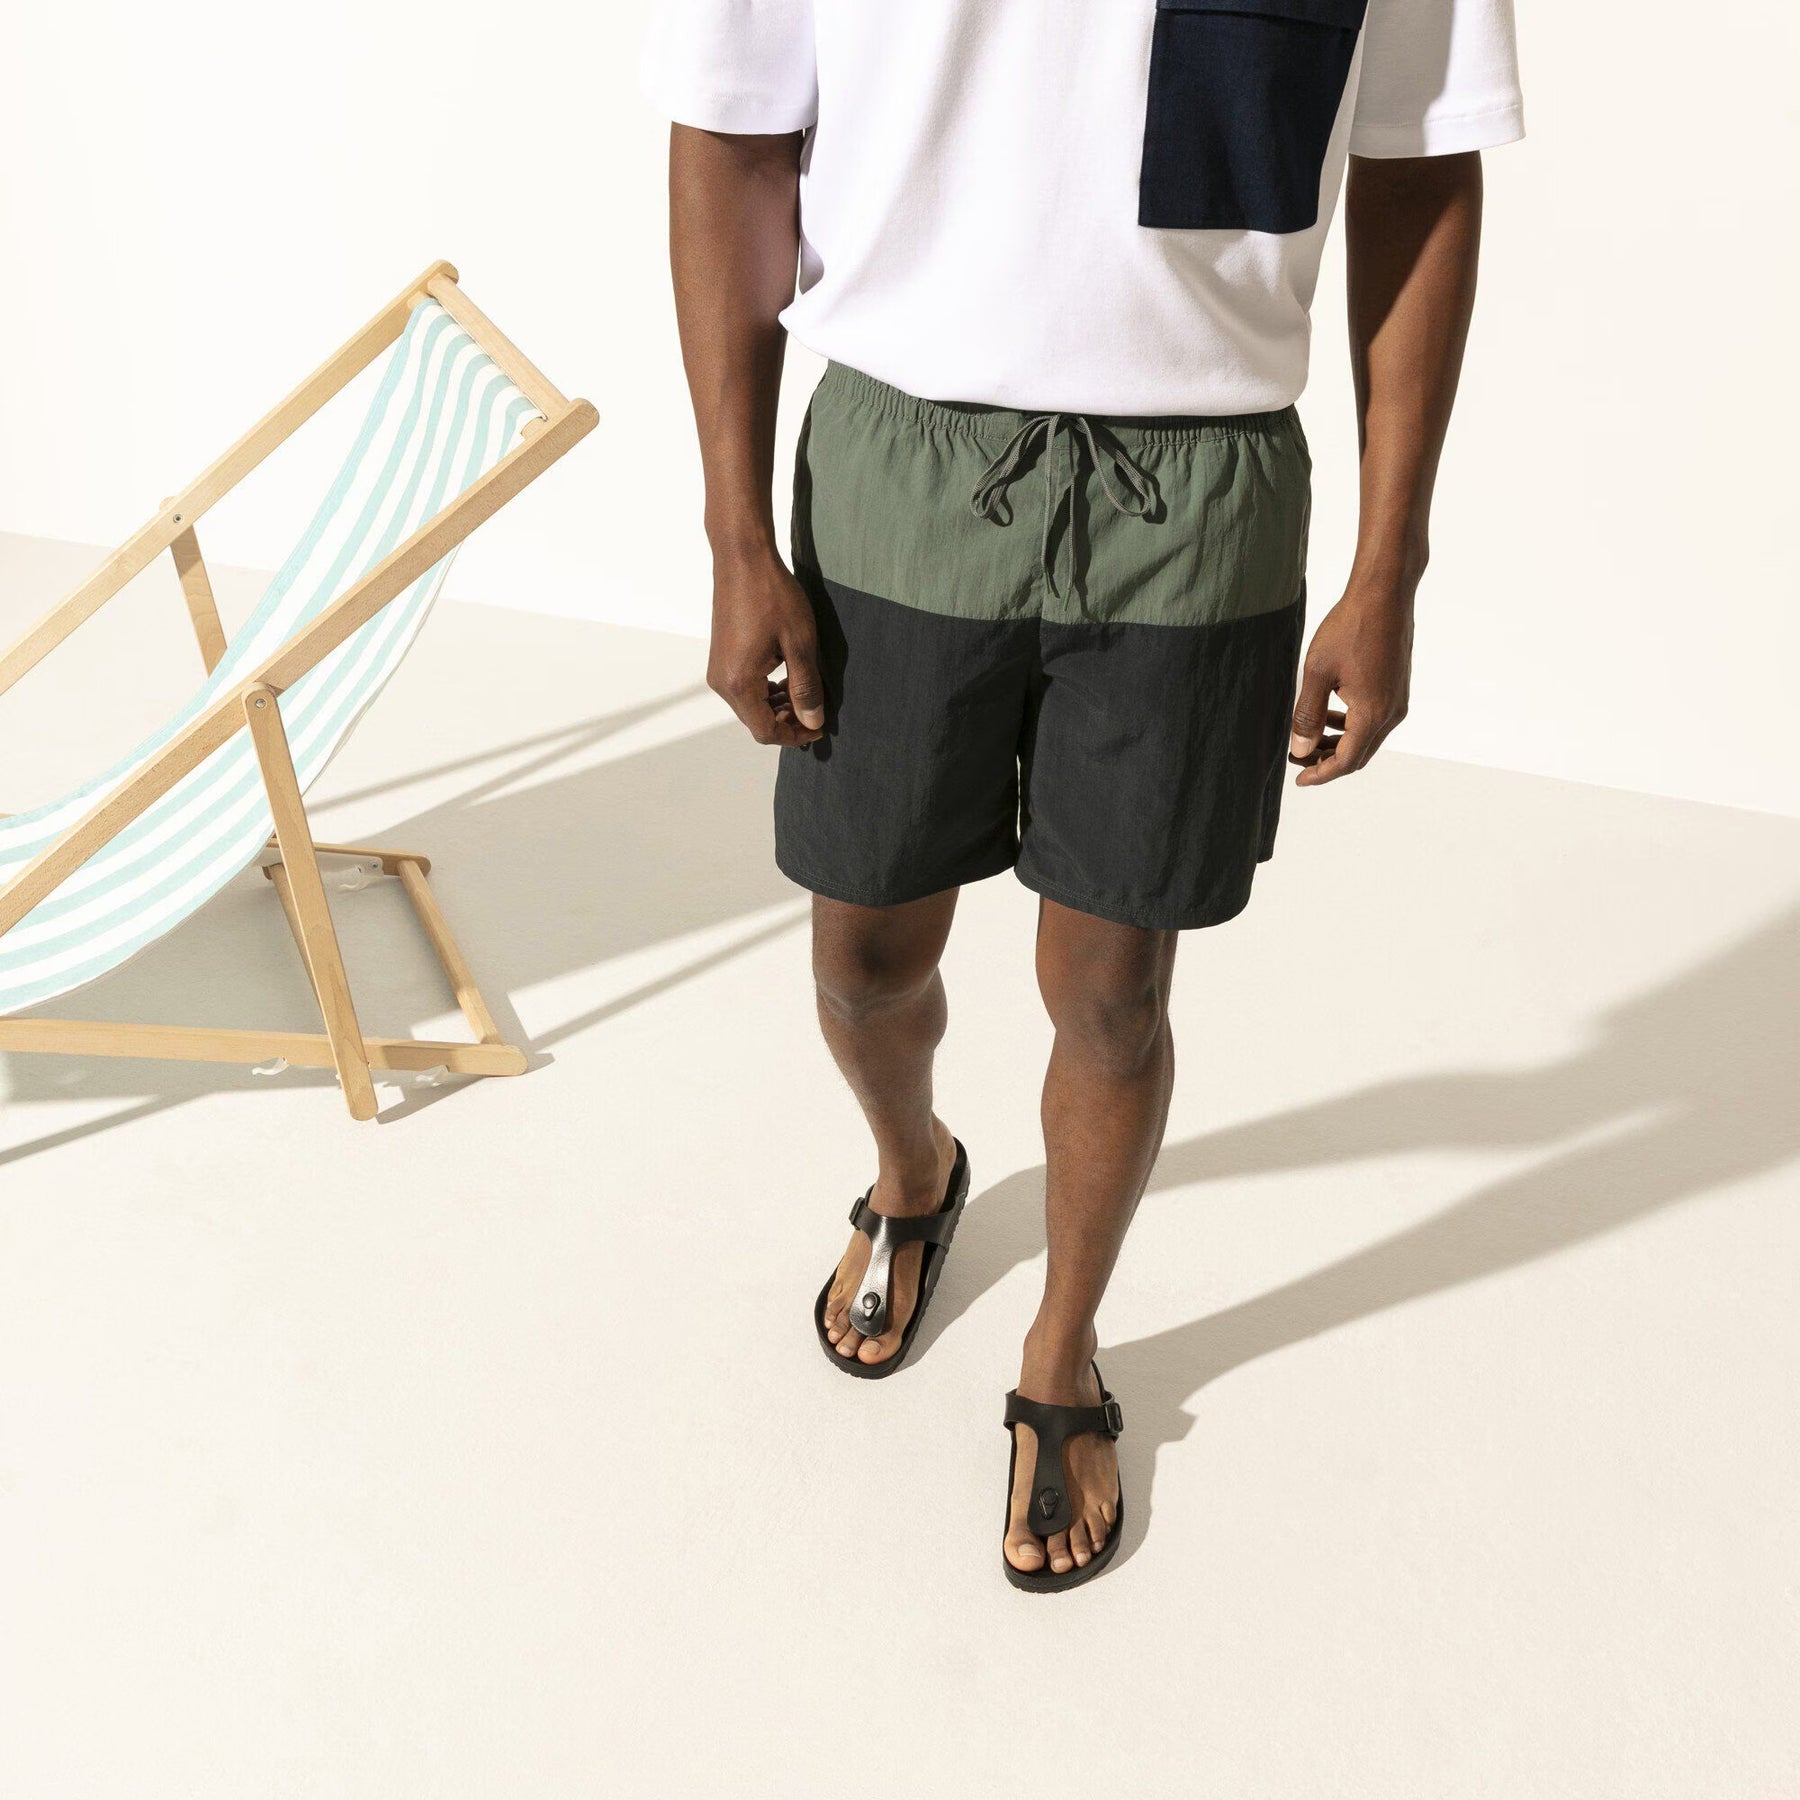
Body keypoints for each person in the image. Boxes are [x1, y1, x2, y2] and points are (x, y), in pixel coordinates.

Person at [645, 0, 1522, 1590]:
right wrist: (735, 537)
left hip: (1203, 486)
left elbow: (1419, 166)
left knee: (1115, 998)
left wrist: (1390, 565)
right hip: (902, 454)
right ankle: (916, 1172)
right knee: (863, 959)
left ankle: (1062, 1348)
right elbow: (733, 131)